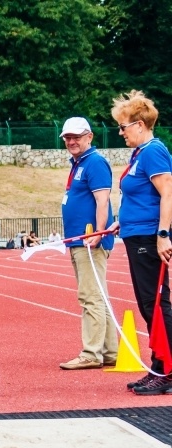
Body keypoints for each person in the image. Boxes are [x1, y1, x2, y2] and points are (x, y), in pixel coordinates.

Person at [109, 90, 172, 394]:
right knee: (149, 305)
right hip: (137, 234)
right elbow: (140, 194)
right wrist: (124, 220)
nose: (120, 132)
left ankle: (168, 372)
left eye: (123, 126)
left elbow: (168, 192)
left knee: (157, 305)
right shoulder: (140, 154)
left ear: (140, 124)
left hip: (150, 237)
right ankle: (158, 366)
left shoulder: (153, 151)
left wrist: (163, 234)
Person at [56, 117, 118, 371]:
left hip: (89, 240)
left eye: (76, 137)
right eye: (67, 138)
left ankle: (91, 352)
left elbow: (102, 200)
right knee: (97, 295)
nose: (71, 141)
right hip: (80, 239)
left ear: (89, 137)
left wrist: (99, 233)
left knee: (90, 295)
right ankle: (109, 351)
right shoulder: (79, 163)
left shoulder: (94, 162)